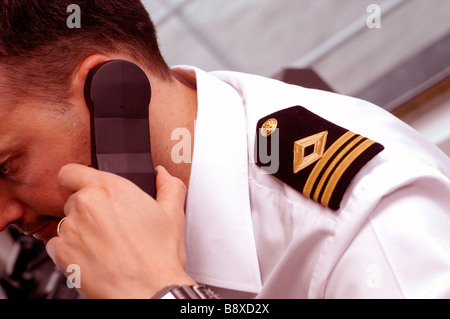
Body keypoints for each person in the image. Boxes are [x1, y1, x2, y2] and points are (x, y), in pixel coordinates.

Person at [0, 0, 449, 299]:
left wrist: (160, 294)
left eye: (5, 167)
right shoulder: (83, 236)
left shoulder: (368, 227)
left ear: (113, 94)